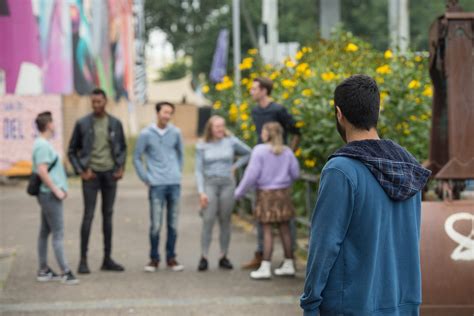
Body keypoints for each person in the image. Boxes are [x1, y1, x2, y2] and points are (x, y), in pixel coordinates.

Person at [300, 75, 431, 315]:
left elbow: (324, 245)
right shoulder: (409, 168)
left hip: (351, 306)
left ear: (339, 114)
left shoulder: (341, 170)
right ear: (376, 111)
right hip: (403, 304)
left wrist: (310, 302)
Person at [242, 77, 302, 270]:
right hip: (264, 164)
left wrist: (288, 152)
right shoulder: (255, 111)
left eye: (254, 88)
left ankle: (286, 257)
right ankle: (261, 255)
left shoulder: (278, 110)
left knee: (284, 220)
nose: (251, 91)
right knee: (265, 220)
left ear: (264, 90)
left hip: (278, 165)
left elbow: (296, 131)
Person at [68, 88, 127, 274]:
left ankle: (107, 259)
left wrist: (120, 167)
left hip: (110, 175)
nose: (96, 105)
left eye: (99, 102)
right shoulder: (82, 123)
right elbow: (71, 151)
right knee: (88, 216)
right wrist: (81, 171)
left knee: (107, 216)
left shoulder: (115, 123)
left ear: (105, 101)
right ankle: (83, 260)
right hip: (91, 175)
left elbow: (123, 148)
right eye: (93, 102)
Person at [235, 122, 300, 280]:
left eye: (263, 131)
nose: (261, 134)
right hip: (283, 195)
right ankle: (289, 264)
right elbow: (296, 174)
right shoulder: (287, 152)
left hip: (266, 195)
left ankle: (265, 267)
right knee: (285, 229)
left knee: (267, 231)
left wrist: (238, 193)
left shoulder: (259, 151)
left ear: (268, 134)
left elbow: (251, 175)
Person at [195, 115, 251, 271]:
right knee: (208, 219)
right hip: (210, 184)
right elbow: (198, 170)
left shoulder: (231, 141)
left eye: (222, 126)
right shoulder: (202, 145)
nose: (220, 129)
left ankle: (223, 256)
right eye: (217, 126)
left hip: (227, 184)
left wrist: (235, 166)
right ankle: (204, 256)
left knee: (225, 220)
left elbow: (249, 153)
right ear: (210, 129)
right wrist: (201, 192)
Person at [134, 101, 185, 272]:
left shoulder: (176, 132)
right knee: (156, 224)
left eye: (170, 113)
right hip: (156, 185)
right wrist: (146, 177)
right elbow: (136, 157)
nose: (167, 116)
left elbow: (181, 154)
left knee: (173, 224)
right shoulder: (146, 134)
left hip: (174, 184)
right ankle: (154, 259)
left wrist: (177, 172)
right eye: (165, 112)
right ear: (157, 113)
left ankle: (171, 258)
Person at [32, 112, 79, 285]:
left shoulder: (42, 144)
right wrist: (57, 190)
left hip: (48, 194)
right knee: (58, 233)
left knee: (45, 232)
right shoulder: (43, 146)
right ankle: (65, 271)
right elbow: (42, 170)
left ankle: (43, 269)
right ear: (49, 125)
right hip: (49, 195)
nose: (55, 125)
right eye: (53, 122)